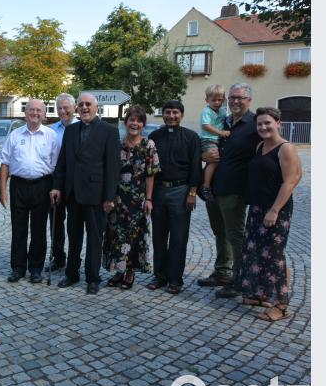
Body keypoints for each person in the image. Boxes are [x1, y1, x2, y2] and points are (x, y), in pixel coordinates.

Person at [50, 93, 120, 295]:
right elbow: (62, 162)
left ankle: (92, 277)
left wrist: (109, 197)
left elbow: (112, 167)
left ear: (96, 107)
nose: (84, 107)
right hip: (73, 194)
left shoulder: (109, 131)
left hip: (97, 195)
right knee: (74, 237)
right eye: (81, 105)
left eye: (88, 104)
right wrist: (57, 186)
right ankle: (72, 273)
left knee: (94, 239)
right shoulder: (71, 131)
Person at [198, 83, 262, 299]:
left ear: (249, 100)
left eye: (240, 98)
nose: (235, 101)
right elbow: (207, 146)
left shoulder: (254, 125)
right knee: (220, 233)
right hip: (214, 188)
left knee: (235, 235)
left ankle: (239, 279)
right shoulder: (223, 121)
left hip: (234, 191)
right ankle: (222, 272)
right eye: (232, 97)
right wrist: (202, 156)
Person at [239, 107, 302, 321]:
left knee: (274, 256)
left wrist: (275, 209)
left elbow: (292, 180)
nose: (263, 127)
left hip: (276, 210)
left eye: (268, 123)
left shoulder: (286, 148)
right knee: (254, 251)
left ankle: (281, 305)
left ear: (278, 123)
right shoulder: (260, 145)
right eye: (259, 124)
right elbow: (297, 175)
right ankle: (260, 295)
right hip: (257, 208)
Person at [100, 106, 161, 290]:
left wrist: (149, 199)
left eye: (139, 120)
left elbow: (151, 174)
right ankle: (118, 270)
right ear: (125, 122)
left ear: (143, 124)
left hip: (138, 199)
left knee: (134, 236)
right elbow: (110, 172)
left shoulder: (148, 145)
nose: (134, 123)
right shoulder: (117, 144)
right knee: (117, 235)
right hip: (118, 199)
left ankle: (130, 271)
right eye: (131, 120)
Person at [0, 99, 59, 283]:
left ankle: (36, 269)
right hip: (19, 185)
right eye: (31, 110)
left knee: (39, 230)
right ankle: (18, 268)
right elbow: (4, 163)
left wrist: (56, 188)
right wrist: (2, 190)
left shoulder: (51, 135)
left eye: (39, 110)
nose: (35, 113)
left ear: (44, 114)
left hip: (43, 185)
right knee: (19, 229)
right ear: (25, 113)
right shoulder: (15, 135)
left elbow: (56, 166)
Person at [146, 101, 201, 294]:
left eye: (175, 112)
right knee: (159, 237)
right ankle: (159, 276)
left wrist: (192, 193)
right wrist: (149, 197)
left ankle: (175, 279)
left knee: (178, 237)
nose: (171, 116)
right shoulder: (154, 137)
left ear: (182, 115)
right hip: (159, 191)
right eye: (167, 112)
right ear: (163, 114)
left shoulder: (191, 137)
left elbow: (196, 167)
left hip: (181, 191)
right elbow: (149, 169)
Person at [46, 93, 78, 272]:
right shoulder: (50, 130)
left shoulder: (82, 127)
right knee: (56, 222)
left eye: (66, 107)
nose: (63, 111)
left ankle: (75, 257)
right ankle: (58, 257)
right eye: (60, 108)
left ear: (74, 108)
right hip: (54, 182)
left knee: (74, 223)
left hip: (74, 182)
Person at [198, 85, 230, 202]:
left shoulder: (223, 111)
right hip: (208, 139)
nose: (217, 102)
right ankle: (205, 186)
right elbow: (205, 125)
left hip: (218, 139)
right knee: (214, 161)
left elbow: (228, 120)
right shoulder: (206, 111)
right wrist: (221, 133)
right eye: (213, 100)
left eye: (220, 100)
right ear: (207, 100)